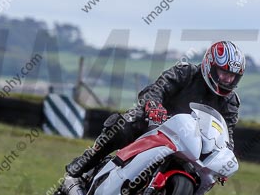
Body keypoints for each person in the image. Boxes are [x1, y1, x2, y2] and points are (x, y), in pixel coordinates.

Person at [66, 40, 245, 178]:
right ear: (209, 65)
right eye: (224, 73)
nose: (227, 80)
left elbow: (226, 135)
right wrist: (154, 107)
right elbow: (157, 89)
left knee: (204, 177)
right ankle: (88, 159)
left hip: (191, 145)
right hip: (156, 124)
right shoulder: (186, 73)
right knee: (125, 125)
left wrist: (223, 160)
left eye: (232, 76)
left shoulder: (230, 102)